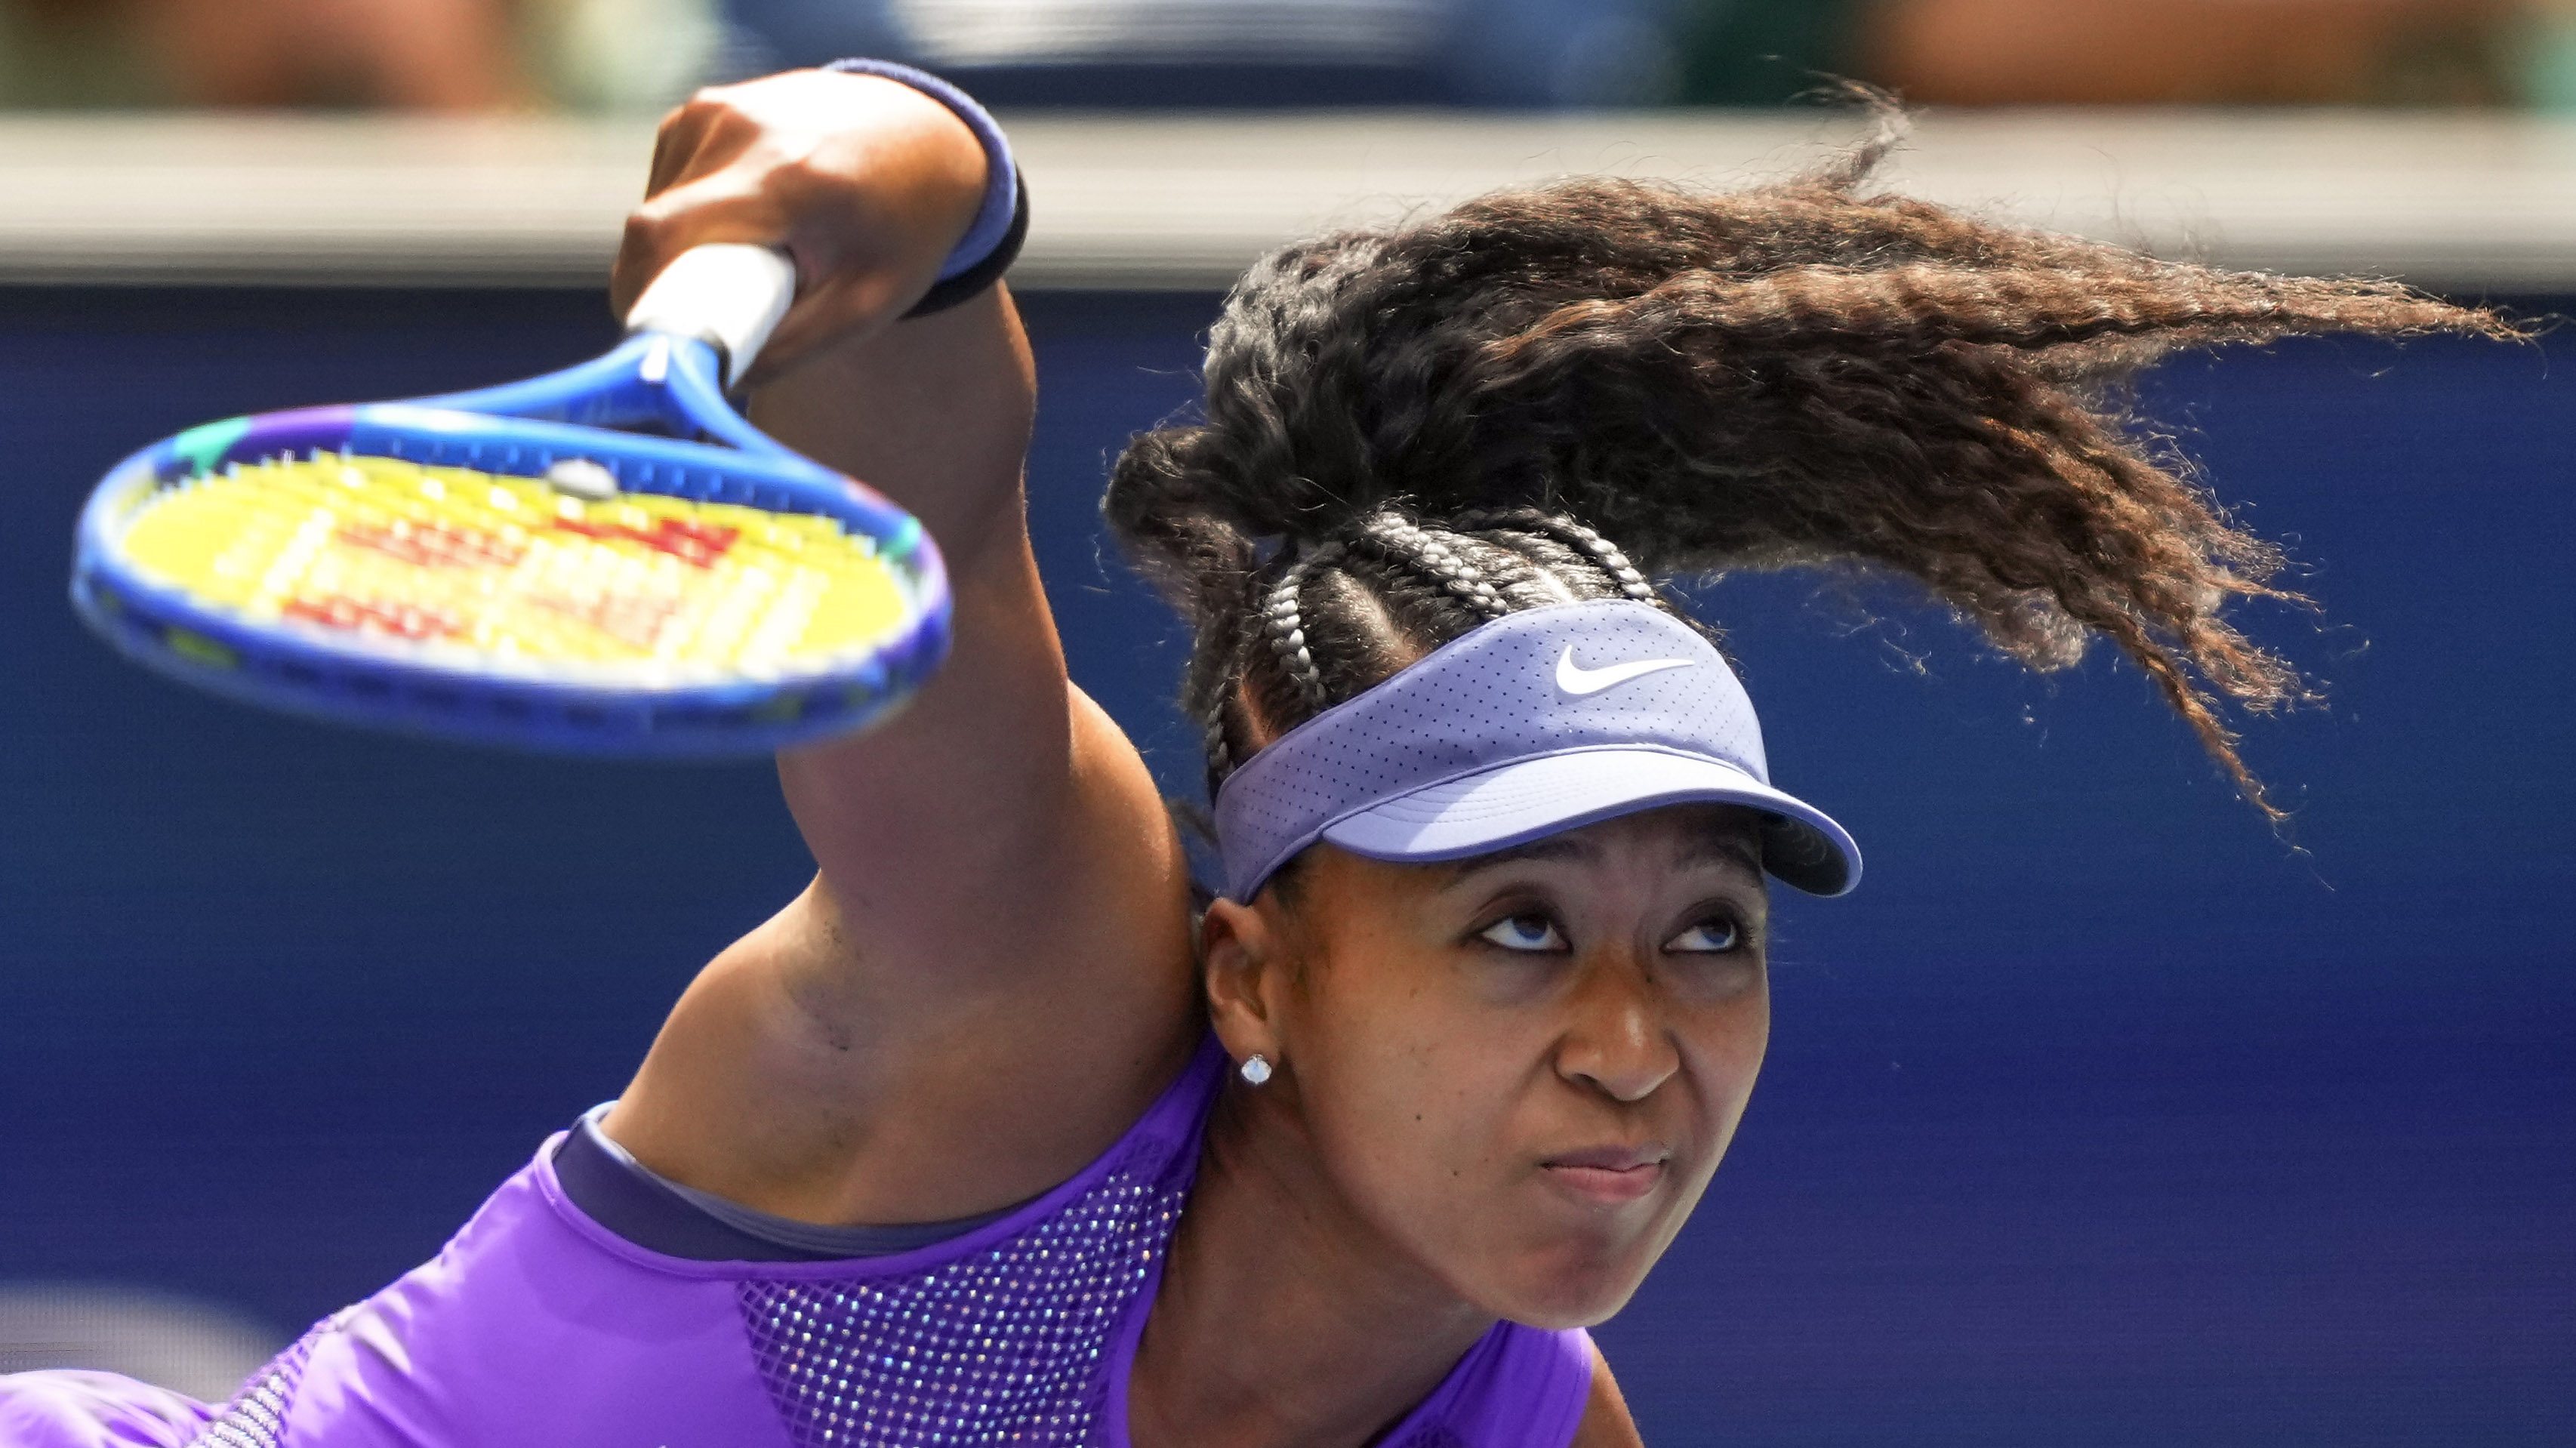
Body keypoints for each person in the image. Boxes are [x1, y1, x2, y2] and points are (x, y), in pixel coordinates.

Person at [0, 60, 2510, 1448]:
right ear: (1248, 975)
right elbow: (919, 467)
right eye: (1511, 924)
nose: (1631, 1047)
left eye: (1705, 937)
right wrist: (920, 162)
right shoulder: (1021, 1013)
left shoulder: (1528, 1430)